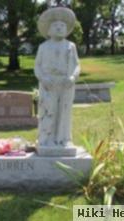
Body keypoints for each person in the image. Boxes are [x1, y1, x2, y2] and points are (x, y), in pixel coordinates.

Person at [35, 7, 80, 149]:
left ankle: (64, 139)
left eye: (62, 26)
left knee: (65, 111)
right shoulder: (43, 47)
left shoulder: (70, 46)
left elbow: (77, 65)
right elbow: (37, 67)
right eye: (55, 26)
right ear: (49, 30)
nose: (59, 28)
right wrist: (43, 79)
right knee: (49, 110)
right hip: (48, 83)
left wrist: (73, 77)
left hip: (66, 83)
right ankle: (47, 139)